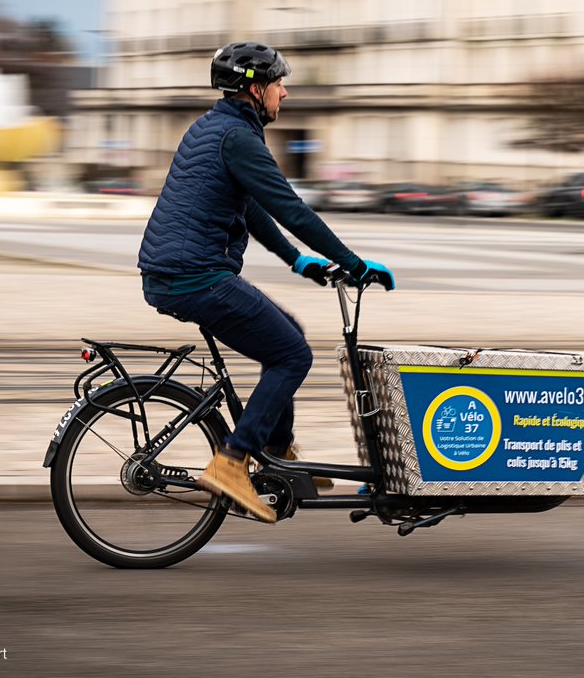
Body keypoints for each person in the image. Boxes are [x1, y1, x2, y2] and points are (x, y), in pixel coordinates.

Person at [137, 41, 394, 523]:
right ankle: (233, 462)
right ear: (255, 89)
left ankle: (279, 455)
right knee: (293, 355)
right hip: (193, 277)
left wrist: (298, 262)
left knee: (287, 333)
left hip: (176, 272)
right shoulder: (238, 137)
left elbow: (250, 207)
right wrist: (352, 263)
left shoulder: (214, 127)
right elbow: (290, 208)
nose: (285, 93)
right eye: (278, 84)